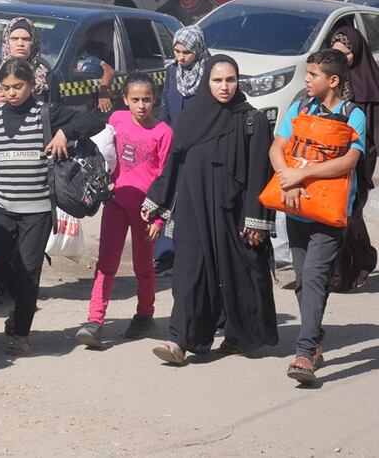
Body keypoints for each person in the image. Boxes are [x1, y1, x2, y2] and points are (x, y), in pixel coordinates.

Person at [144, 55, 278, 366]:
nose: (224, 86)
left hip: (234, 213)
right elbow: (173, 164)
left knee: (239, 273)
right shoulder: (191, 118)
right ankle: (179, 341)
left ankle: (238, 336)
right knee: (189, 273)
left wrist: (256, 219)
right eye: (217, 80)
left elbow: (260, 173)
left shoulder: (252, 120)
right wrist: (157, 202)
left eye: (230, 80)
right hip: (193, 209)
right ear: (207, 82)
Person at [0, 59, 104, 356]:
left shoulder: (47, 113)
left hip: (37, 209)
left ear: (31, 85)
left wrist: (65, 133)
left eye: (18, 86)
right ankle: (22, 306)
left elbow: (96, 121)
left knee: (29, 271)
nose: (12, 93)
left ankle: (21, 332)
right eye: (6, 88)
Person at [270, 49, 365, 384]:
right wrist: (287, 178)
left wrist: (302, 175)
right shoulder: (299, 108)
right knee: (304, 280)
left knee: (313, 277)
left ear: (333, 80)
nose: (307, 80)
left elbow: (349, 161)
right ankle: (315, 340)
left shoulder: (353, 115)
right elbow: (277, 147)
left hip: (328, 212)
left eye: (313, 75)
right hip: (296, 208)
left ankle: (304, 352)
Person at [0, 16, 59, 304]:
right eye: (15, 38)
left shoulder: (46, 75)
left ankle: (21, 284)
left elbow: (59, 115)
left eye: (26, 39)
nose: (20, 44)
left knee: (27, 233)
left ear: (33, 42)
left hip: (33, 167)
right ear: (6, 41)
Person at [75, 73, 172, 348]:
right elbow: (103, 151)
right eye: (136, 99)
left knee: (143, 266)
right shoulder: (116, 120)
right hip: (116, 204)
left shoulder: (164, 133)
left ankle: (145, 315)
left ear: (155, 99)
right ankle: (95, 321)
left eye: (147, 99)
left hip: (146, 211)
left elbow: (165, 177)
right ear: (126, 100)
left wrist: (159, 218)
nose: (141, 105)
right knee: (106, 263)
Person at [154, 25, 210, 277]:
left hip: (199, 146)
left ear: (197, 49)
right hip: (173, 145)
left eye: (186, 52)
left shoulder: (210, 73)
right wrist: (162, 136)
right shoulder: (171, 72)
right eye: (176, 51)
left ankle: (192, 254)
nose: (180, 57)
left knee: (191, 199)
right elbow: (165, 106)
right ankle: (165, 254)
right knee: (169, 196)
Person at [327, 26, 379, 288]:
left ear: (356, 54)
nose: (340, 59)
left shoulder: (370, 86)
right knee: (338, 211)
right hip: (331, 156)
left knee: (350, 211)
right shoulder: (329, 81)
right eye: (335, 53)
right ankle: (346, 268)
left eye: (345, 54)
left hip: (361, 159)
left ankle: (355, 263)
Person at [73, 39, 115, 114]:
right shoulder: (61, 55)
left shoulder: (90, 59)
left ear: (84, 39)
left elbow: (109, 70)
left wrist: (103, 91)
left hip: (85, 98)